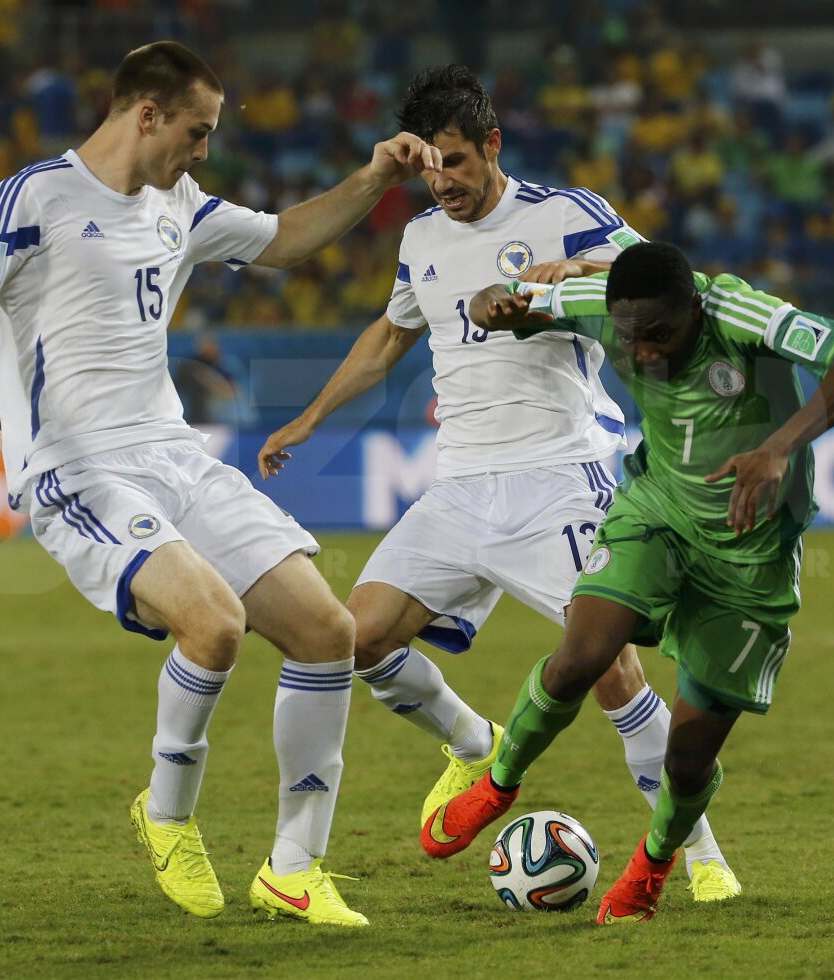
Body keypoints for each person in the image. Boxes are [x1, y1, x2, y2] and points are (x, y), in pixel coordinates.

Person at [0, 41, 441, 928]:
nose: (204, 151)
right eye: (197, 131)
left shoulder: (183, 205)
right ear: (147, 114)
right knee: (215, 623)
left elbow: (284, 240)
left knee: (326, 632)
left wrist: (374, 177)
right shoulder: (33, 196)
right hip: (76, 470)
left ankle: (294, 868)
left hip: (175, 455)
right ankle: (166, 816)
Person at [257, 66, 739, 901]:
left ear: (492, 146)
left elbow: (665, 282)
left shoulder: (565, 212)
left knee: (611, 671)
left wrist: (574, 272)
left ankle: (699, 858)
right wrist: (310, 417)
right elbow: (389, 336)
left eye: (455, 160)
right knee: (354, 639)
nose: (442, 181)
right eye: (429, 167)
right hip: (459, 489)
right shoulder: (421, 239)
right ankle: (473, 741)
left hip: (561, 477)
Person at [430, 241, 834, 924]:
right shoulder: (598, 304)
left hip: (749, 559)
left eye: (661, 335)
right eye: (630, 338)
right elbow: (497, 306)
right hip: (657, 514)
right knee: (579, 660)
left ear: (695, 309)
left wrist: (778, 447)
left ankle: (653, 862)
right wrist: (489, 303)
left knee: (686, 758)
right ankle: (498, 784)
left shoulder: (740, 312)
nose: (643, 352)